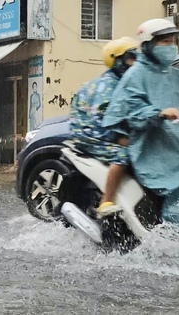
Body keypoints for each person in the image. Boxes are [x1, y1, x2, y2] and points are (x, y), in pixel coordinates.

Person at [102, 19, 179, 224]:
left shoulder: (176, 74)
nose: (171, 47)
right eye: (165, 42)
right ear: (149, 45)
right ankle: (174, 226)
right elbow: (132, 111)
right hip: (152, 145)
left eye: (173, 41)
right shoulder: (135, 75)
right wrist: (158, 113)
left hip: (178, 140)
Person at [69, 37, 139, 218]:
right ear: (117, 60)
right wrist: (121, 138)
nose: (134, 61)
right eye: (130, 57)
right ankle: (106, 202)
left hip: (97, 133)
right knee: (123, 154)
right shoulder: (109, 85)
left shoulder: (121, 81)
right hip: (93, 137)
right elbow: (106, 121)